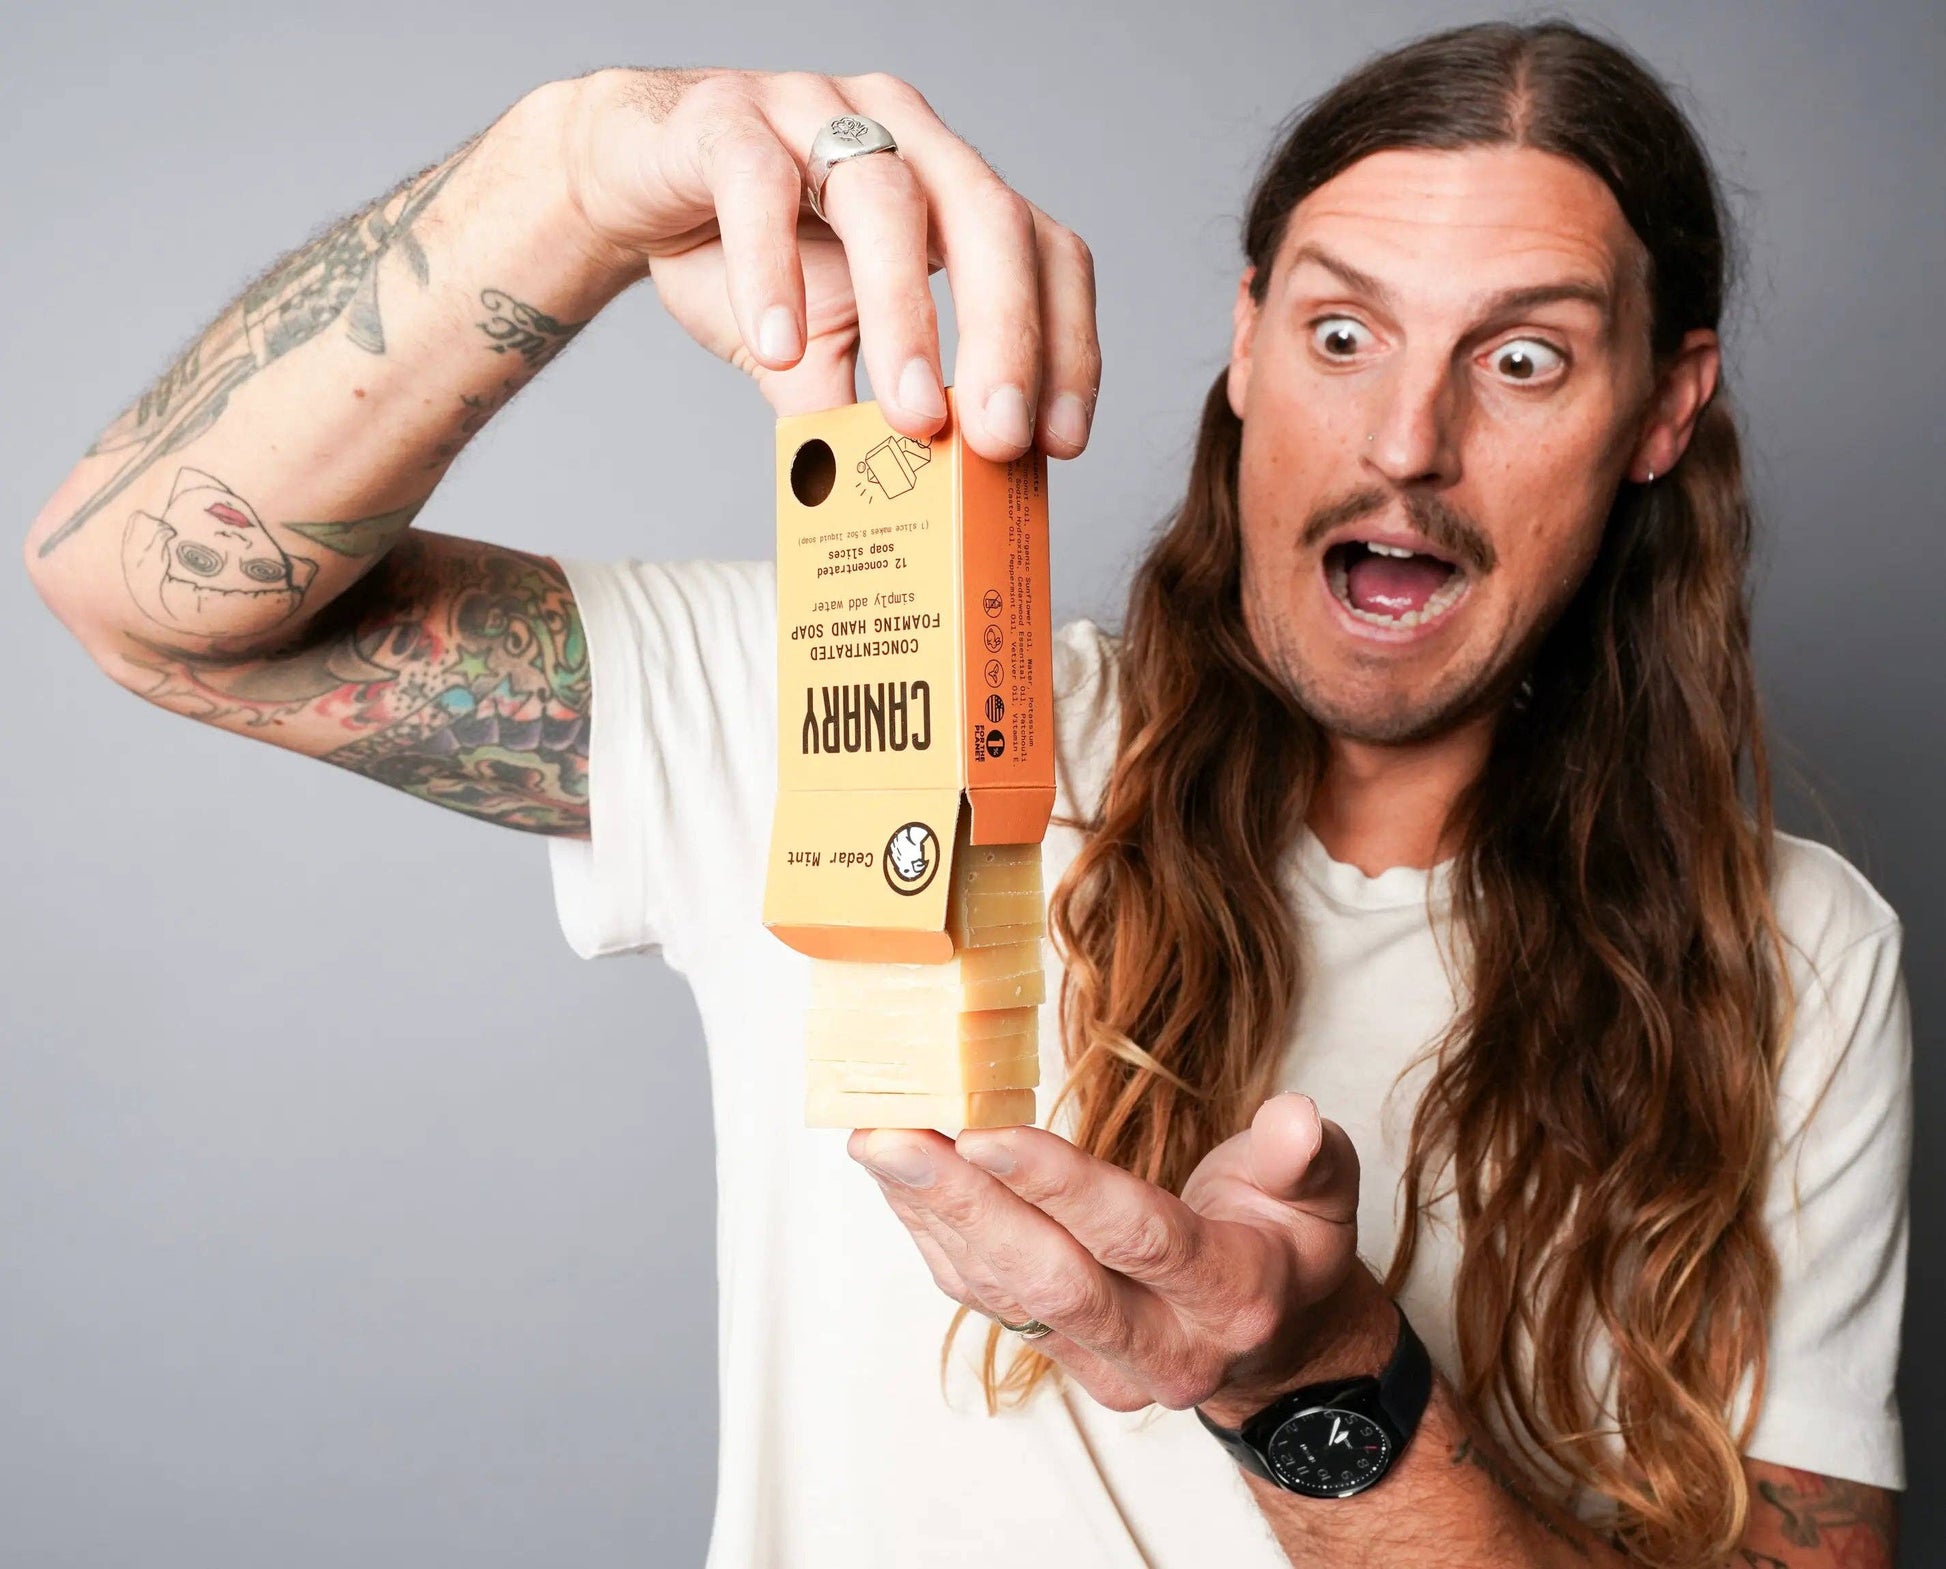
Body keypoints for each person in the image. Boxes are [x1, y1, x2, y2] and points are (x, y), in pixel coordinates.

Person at [23, 19, 1908, 1569]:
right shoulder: (850, 712)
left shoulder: (1797, 959)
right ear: (1243, 344)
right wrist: (581, 170)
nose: (1404, 441)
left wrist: (1321, 1384)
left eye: (1519, 359)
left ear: (1662, 410)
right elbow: (153, 600)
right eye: (1340, 335)